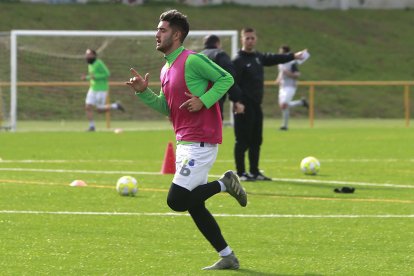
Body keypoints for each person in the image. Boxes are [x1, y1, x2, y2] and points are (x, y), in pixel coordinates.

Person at [125, 10, 247, 270]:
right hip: (184, 143)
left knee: (177, 200)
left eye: (162, 30)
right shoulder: (167, 68)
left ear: (177, 34)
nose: (157, 34)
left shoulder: (193, 60)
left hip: (201, 142)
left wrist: (204, 100)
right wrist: (144, 93)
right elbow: (168, 108)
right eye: (157, 29)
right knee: (195, 205)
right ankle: (227, 256)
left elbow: (226, 78)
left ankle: (225, 184)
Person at [232, 27, 307, 181]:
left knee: (256, 140)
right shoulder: (238, 60)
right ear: (242, 40)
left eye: (252, 38)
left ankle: (254, 171)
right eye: (247, 38)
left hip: (256, 105)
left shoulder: (258, 57)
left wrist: (293, 55)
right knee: (242, 140)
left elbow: (274, 58)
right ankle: (240, 173)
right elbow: (232, 84)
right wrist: (236, 102)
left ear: (256, 39)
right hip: (243, 106)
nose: (250, 40)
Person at [200, 34, 245, 119]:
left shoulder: (197, 56)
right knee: (213, 130)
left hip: (197, 102)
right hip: (214, 101)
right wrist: (237, 99)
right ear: (218, 43)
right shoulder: (220, 55)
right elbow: (229, 78)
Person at [81, 48, 125, 131]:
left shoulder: (99, 63)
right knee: (88, 107)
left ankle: (115, 106)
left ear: (94, 55)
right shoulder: (90, 65)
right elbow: (92, 76)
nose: (87, 56)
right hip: (93, 88)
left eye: (89, 55)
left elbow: (107, 74)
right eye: (86, 55)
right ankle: (92, 126)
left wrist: (95, 77)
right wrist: (86, 78)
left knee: (99, 109)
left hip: (101, 89)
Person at [275, 45, 308, 131]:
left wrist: (288, 73)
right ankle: (285, 126)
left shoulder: (291, 63)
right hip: (282, 86)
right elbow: (281, 72)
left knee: (284, 104)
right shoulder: (280, 62)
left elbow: (297, 75)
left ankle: (285, 125)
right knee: (283, 106)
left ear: (286, 53)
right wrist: (278, 79)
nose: (279, 53)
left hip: (290, 86)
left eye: (281, 52)